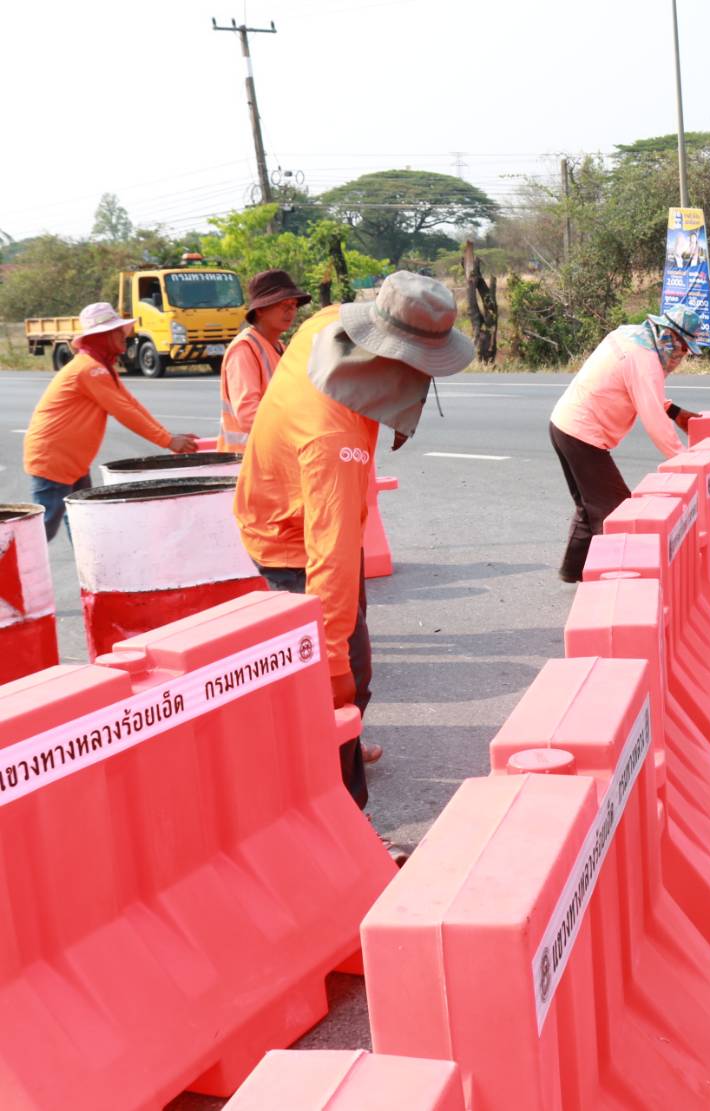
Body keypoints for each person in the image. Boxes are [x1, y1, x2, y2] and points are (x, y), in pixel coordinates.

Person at [233, 271, 473, 815]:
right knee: (337, 679)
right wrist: (335, 667)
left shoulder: (326, 325)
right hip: (294, 540)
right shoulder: (333, 441)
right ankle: (341, 815)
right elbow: (330, 563)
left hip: (283, 506)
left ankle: (330, 750)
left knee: (339, 669)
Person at [548, 304, 705, 582]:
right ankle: (618, 583)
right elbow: (654, 420)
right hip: (582, 434)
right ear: (668, 337)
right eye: (682, 348)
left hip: (562, 425)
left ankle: (573, 571)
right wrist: (685, 462)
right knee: (618, 510)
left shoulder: (629, 336)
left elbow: (640, 389)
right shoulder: (645, 360)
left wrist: (675, 412)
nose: (681, 356)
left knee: (589, 507)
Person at [23, 303, 198, 541]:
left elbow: (132, 404)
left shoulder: (100, 368)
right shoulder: (89, 370)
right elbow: (124, 412)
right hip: (54, 460)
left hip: (71, 460)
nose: (125, 336)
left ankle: (90, 568)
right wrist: (167, 440)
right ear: (101, 337)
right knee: (41, 532)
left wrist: (169, 437)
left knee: (83, 524)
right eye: (117, 332)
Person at [219, 268, 311, 451]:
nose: (291, 311)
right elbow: (248, 416)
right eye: (283, 305)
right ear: (260, 309)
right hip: (246, 458)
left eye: (293, 305)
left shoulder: (281, 348)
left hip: (273, 454)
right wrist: (299, 431)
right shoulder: (244, 349)